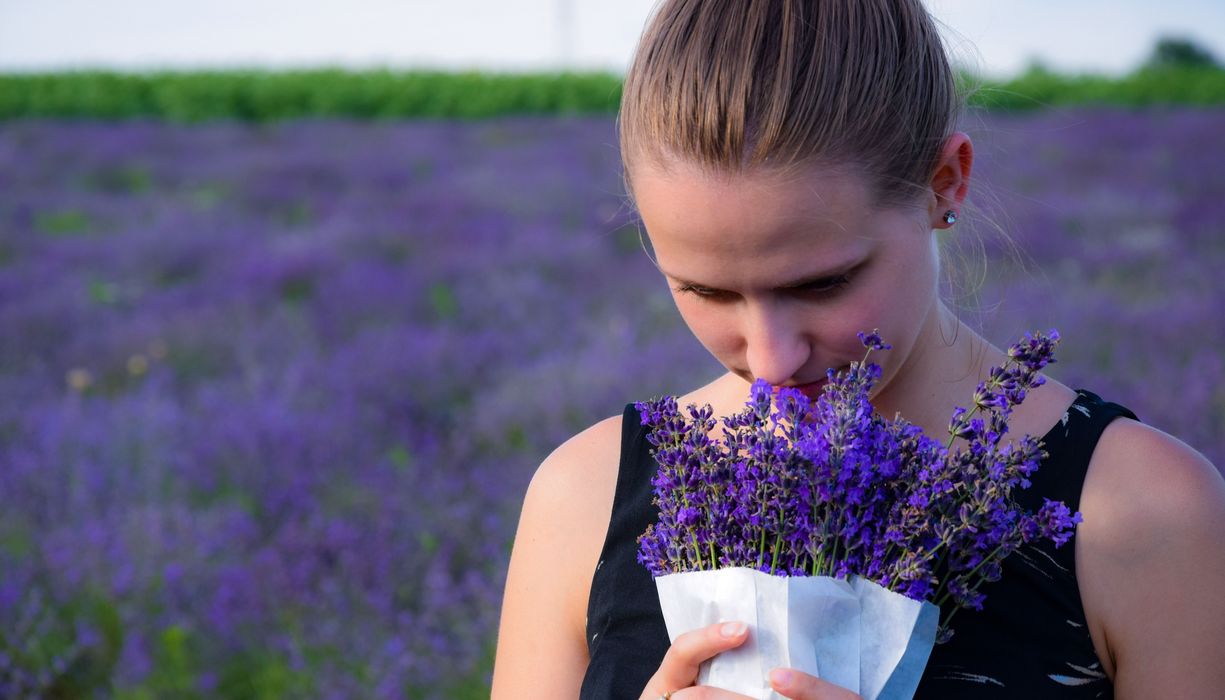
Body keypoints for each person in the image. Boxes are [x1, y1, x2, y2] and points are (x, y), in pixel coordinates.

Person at [490, 0, 1225, 698]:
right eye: (708, 292)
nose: (772, 361)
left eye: (823, 283)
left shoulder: (1145, 513)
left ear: (946, 182)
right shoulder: (583, 497)